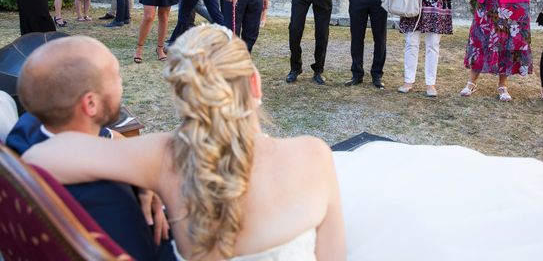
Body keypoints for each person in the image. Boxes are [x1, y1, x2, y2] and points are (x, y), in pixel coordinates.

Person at [24, 24, 346, 261]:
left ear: (182, 96)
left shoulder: (161, 156)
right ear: (254, 84)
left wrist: (133, 168)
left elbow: (40, 155)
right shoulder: (313, 155)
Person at [6, 36, 174, 260]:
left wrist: (142, 179)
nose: (121, 82)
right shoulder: (110, 198)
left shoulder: (26, 129)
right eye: (115, 77)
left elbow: (109, 135)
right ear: (91, 104)